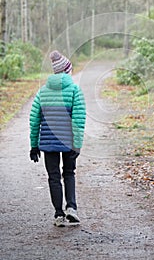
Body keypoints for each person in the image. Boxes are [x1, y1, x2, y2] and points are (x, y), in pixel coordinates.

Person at [29, 50, 86, 227]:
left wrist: (34, 145)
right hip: (69, 142)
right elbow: (78, 120)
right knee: (69, 173)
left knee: (53, 177)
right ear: (68, 70)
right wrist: (77, 145)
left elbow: (34, 120)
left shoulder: (42, 92)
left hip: (48, 143)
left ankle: (59, 215)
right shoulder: (75, 90)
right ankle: (71, 208)